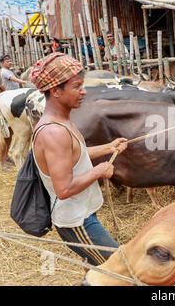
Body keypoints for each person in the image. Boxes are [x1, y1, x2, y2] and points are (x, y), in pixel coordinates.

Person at [30, 53, 127, 265]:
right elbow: (63, 189)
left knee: (97, 270)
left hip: (83, 213)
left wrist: (108, 148)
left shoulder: (63, 122)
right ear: (56, 90)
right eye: (77, 86)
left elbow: (74, 157)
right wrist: (99, 171)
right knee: (121, 269)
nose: (83, 92)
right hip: (76, 221)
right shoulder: (54, 132)